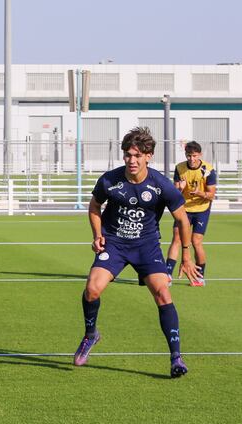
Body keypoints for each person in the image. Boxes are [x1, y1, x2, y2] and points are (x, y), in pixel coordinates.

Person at [73, 127, 201, 378]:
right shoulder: (110, 180)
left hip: (147, 247)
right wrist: (97, 235)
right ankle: (91, 335)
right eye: (128, 155)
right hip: (115, 245)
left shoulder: (161, 184)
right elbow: (94, 206)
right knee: (92, 290)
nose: (132, 160)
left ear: (148, 156)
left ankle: (176, 357)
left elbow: (183, 221)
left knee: (163, 293)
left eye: (137, 155)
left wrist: (186, 256)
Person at [165, 141, 216, 286]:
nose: (191, 159)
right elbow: (175, 193)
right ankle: (168, 274)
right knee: (177, 238)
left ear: (200, 155)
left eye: (194, 156)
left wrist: (199, 193)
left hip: (201, 210)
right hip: (184, 209)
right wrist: (180, 189)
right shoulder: (180, 168)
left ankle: (200, 276)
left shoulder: (208, 169)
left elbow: (211, 195)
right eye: (189, 156)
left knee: (196, 242)